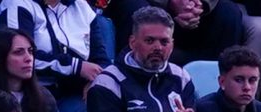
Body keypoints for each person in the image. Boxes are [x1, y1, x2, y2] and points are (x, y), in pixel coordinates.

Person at [0, 0, 109, 112]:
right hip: (35, 93)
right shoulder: (17, 5)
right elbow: (18, 57)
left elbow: (101, 57)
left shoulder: (81, 6)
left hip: (78, 91)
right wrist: (76, 67)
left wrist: (96, 80)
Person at [106, 0, 247, 66]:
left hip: (198, 12)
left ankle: (218, 83)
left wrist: (200, 4)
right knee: (137, 10)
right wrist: (171, 2)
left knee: (229, 12)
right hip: (151, 4)